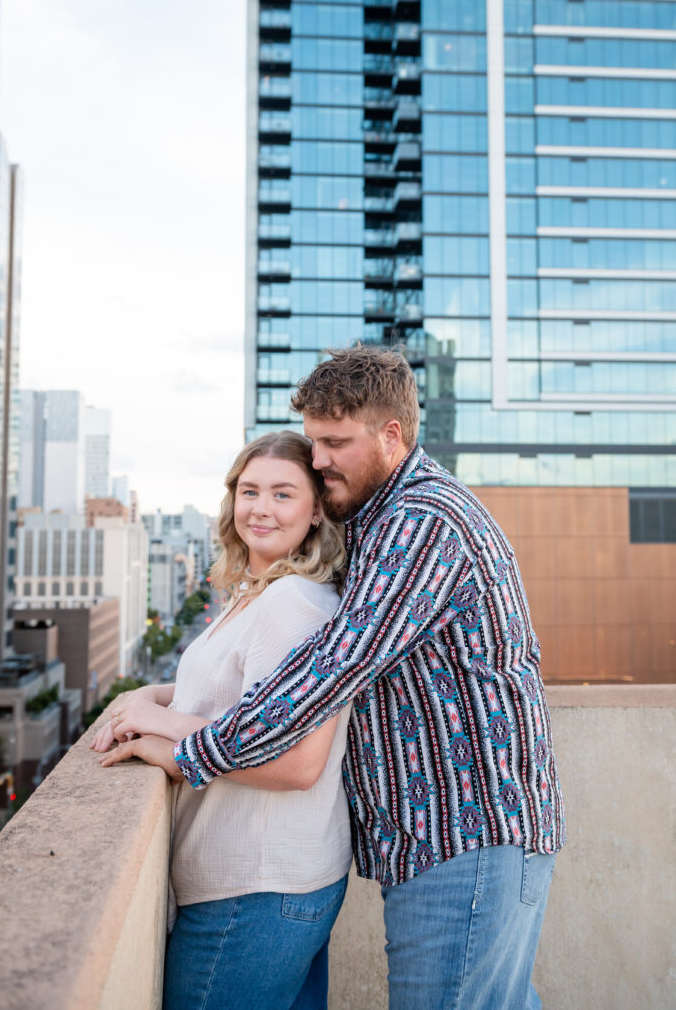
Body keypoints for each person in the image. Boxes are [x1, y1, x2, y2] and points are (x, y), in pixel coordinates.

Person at [114, 347, 565, 1009]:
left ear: (392, 436)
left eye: (333, 442)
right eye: (314, 440)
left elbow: (329, 671)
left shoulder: (421, 523)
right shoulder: (380, 522)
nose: (317, 457)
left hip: (469, 838)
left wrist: (185, 745)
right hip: (441, 839)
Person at [91, 431, 353, 1010]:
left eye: (283, 494)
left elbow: (294, 761)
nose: (260, 508)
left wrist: (162, 739)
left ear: (315, 514)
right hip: (274, 884)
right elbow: (237, 698)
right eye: (249, 490)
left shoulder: (293, 605)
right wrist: (152, 698)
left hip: (254, 890)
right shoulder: (259, 592)